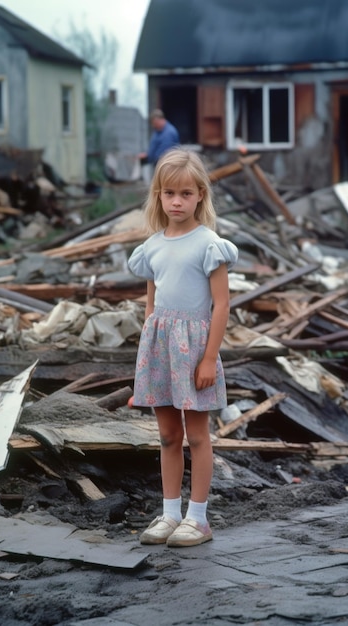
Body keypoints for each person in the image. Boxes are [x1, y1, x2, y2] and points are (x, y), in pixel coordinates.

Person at [128, 148, 238, 547]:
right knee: (168, 436)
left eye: (186, 194)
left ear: (200, 197)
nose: (177, 201)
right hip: (160, 350)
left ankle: (199, 518)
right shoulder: (153, 247)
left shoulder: (209, 245)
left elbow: (222, 304)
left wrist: (209, 357)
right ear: (158, 195)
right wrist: (147, 361)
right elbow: (152, 305)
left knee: (198, 436)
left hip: (194, 351)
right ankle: (170, 513)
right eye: (169, 193)